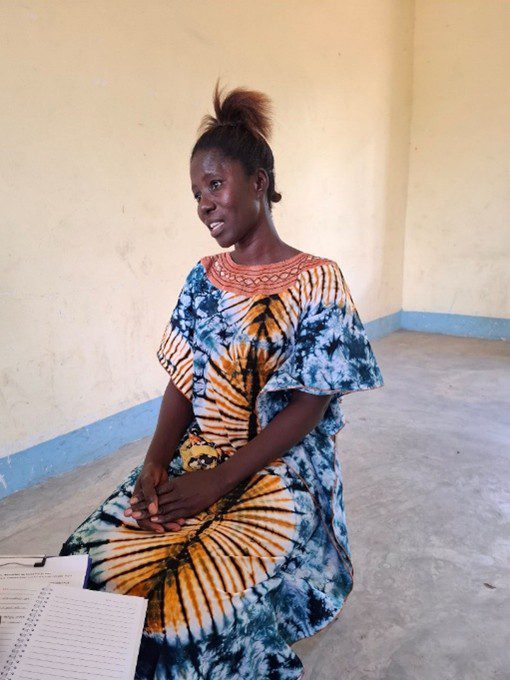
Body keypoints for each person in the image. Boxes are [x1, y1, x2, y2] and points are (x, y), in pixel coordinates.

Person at [60, 80, 384, 680]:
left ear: (258, 182)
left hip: (284, 469)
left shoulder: (319, 281)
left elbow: (310, 404)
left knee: (198, 618)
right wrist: (158, 462)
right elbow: (183, 379)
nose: (205, 204)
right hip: (200, 454)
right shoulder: (202, 278)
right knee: (89, 564)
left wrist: (220, 482)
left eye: (215, 185)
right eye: (196, 193)